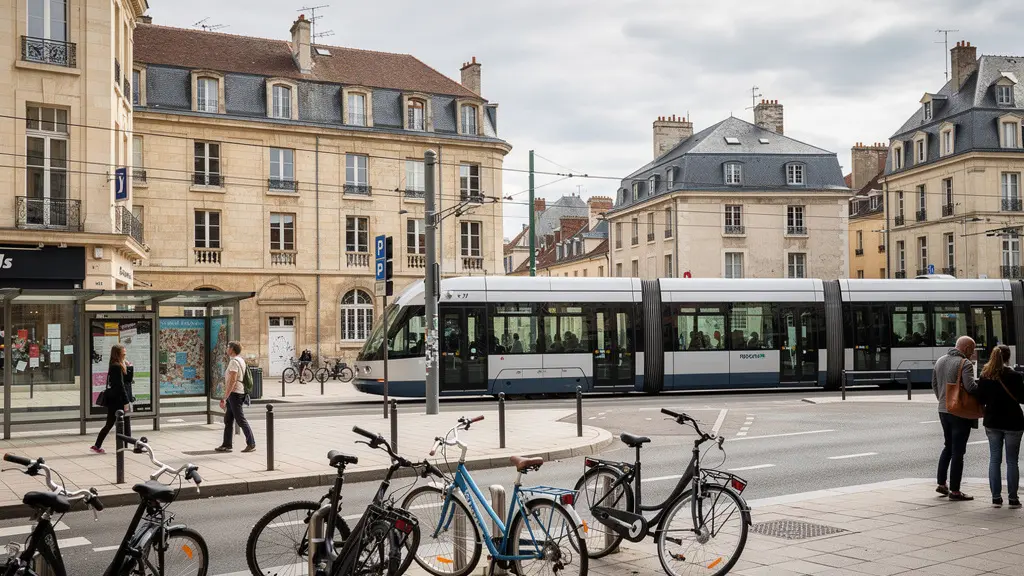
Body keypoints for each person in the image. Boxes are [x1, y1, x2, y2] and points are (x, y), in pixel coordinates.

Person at [932, 335, 980, 501]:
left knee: (948, 446)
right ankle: (955, 491)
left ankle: (941, 483)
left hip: (943, 410)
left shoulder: (940, 361)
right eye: (972, 350)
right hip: (959, 412)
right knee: (958, 451)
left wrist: (943, 400)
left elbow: (934, 384)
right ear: (966, 348)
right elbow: (970, 387)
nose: (972, 354)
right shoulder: (964, 363)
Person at [977, 344, 1024, 508]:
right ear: (1008, 357)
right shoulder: (1016, 376)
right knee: (1012, 461)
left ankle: (996, 497)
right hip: (1013, 422)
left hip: (992, 422)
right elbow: (1022, 398)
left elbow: (980, 399)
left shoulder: (985, 375)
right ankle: (1013, 498)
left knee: (994, 460)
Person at [91, 344, 134, 454]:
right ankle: (131, 445)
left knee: (117, 423)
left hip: (118, 399)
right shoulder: (116, 366)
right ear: (118, 353)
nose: (125, 353)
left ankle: (98, 445)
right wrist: (126, 402)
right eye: (123, 352)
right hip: (118, 400)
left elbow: (128, 380)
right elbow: (120, 386)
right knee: (116, 423)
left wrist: (129, 367)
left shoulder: (120, 364)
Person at [216, 341, 256, 453]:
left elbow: (232, 380)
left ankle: (251, 443)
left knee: (240, 419)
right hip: (237, 393)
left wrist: (225, 396)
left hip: (235, 393)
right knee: (228, 420)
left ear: (232, 349)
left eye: (228, 347)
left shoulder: (234, 362)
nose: (226, 349)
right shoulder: (241, 360)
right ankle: (226, 444)